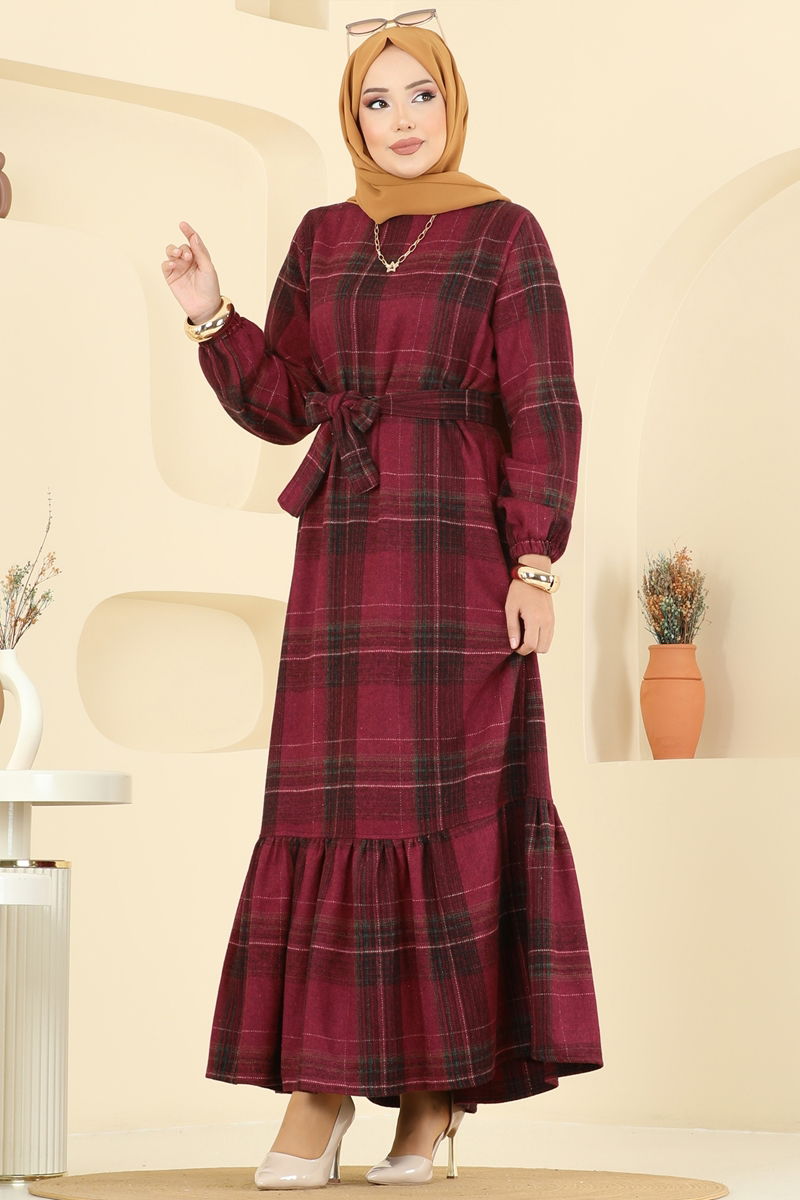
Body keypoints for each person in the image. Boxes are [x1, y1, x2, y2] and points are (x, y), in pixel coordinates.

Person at [161, 17, 603, 1191]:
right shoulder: (321, 235)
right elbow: (283, 403)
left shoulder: (504, 232)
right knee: (331, 808)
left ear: (451, 105)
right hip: (346, 553)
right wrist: (209, 314)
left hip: (458, 558)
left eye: (419, 96)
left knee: (447, 810)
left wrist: (534, 561)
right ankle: (317, 1089)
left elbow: (544, 403)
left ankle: (431, 1094)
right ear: (350, 118)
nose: (400, 120)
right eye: (375, 101)